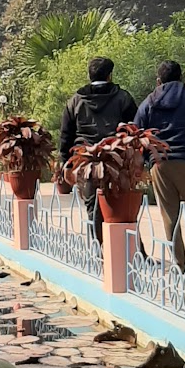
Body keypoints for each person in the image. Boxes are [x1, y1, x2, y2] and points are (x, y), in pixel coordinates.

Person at [134, 60, 185, 269]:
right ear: (180, 77)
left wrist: (146, 159)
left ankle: (179, 263)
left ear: (158, 80)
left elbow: (137, 133)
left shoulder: (149, 101)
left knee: (169, 214)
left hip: (160, 163)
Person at [59, 56, 137, 238]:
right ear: (110, 75)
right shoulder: (123, 98)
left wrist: (65, 162)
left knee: (92, 204)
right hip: (116, 158)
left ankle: (98, 247)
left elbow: (65, 134)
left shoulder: (75, 101)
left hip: (85, 160)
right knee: (121, 204)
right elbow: (133, 128)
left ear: (89, 75)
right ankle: (129, 249)